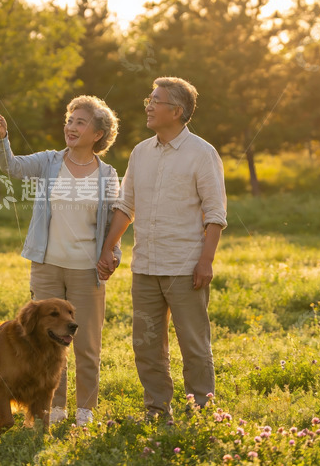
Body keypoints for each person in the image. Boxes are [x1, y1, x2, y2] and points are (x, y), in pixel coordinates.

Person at [97, 77, 227, 419]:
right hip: (145, 268)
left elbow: (215, 214)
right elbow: (126, 206)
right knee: (147, 346)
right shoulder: (141, 152)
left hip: (185, 269)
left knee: (194, 346)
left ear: (177, 111)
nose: (149, 107)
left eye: (156, 101)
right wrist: (108, 249)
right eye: (148, 100)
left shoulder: (202, 153)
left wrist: (206, 261)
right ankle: (157, 410)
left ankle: (200, 410)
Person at [0, 95, 121, 427]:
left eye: (80, 122)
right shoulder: (50, 161)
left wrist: (113, 256)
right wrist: (2, 137)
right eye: (69, 120)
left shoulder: (107, 175)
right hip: (47, 265)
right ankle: (53, 407)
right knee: (44, 342)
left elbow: (113, 226)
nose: (71, 126)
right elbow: (12, 167)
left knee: (86, 343)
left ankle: (85, 410)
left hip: (86, 270)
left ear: (98, 134)